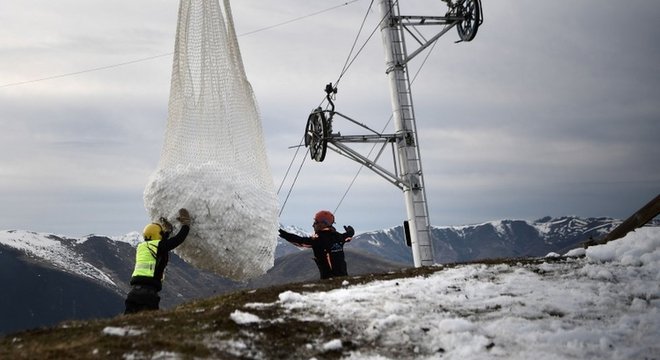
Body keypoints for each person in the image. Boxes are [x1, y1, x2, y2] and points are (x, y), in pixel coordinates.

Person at [124, 208, 191, 314]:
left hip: (133, 292)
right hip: (148, 293)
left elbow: (160, 243)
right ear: (158, 235)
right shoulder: (158, 246)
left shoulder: (141, 247)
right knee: (150, 323)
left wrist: (167, 232)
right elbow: (178, 239)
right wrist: (186, 225)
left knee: (127, 322)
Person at [278, 210, 355, 280]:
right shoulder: (338, 236)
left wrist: (281, 232)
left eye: (315, 222)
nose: (313, 225)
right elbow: (349, 236)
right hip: (344, 278)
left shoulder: (318, 239)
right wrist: (351, 231)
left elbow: (299, 241)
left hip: (329, 280)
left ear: (323, 224)